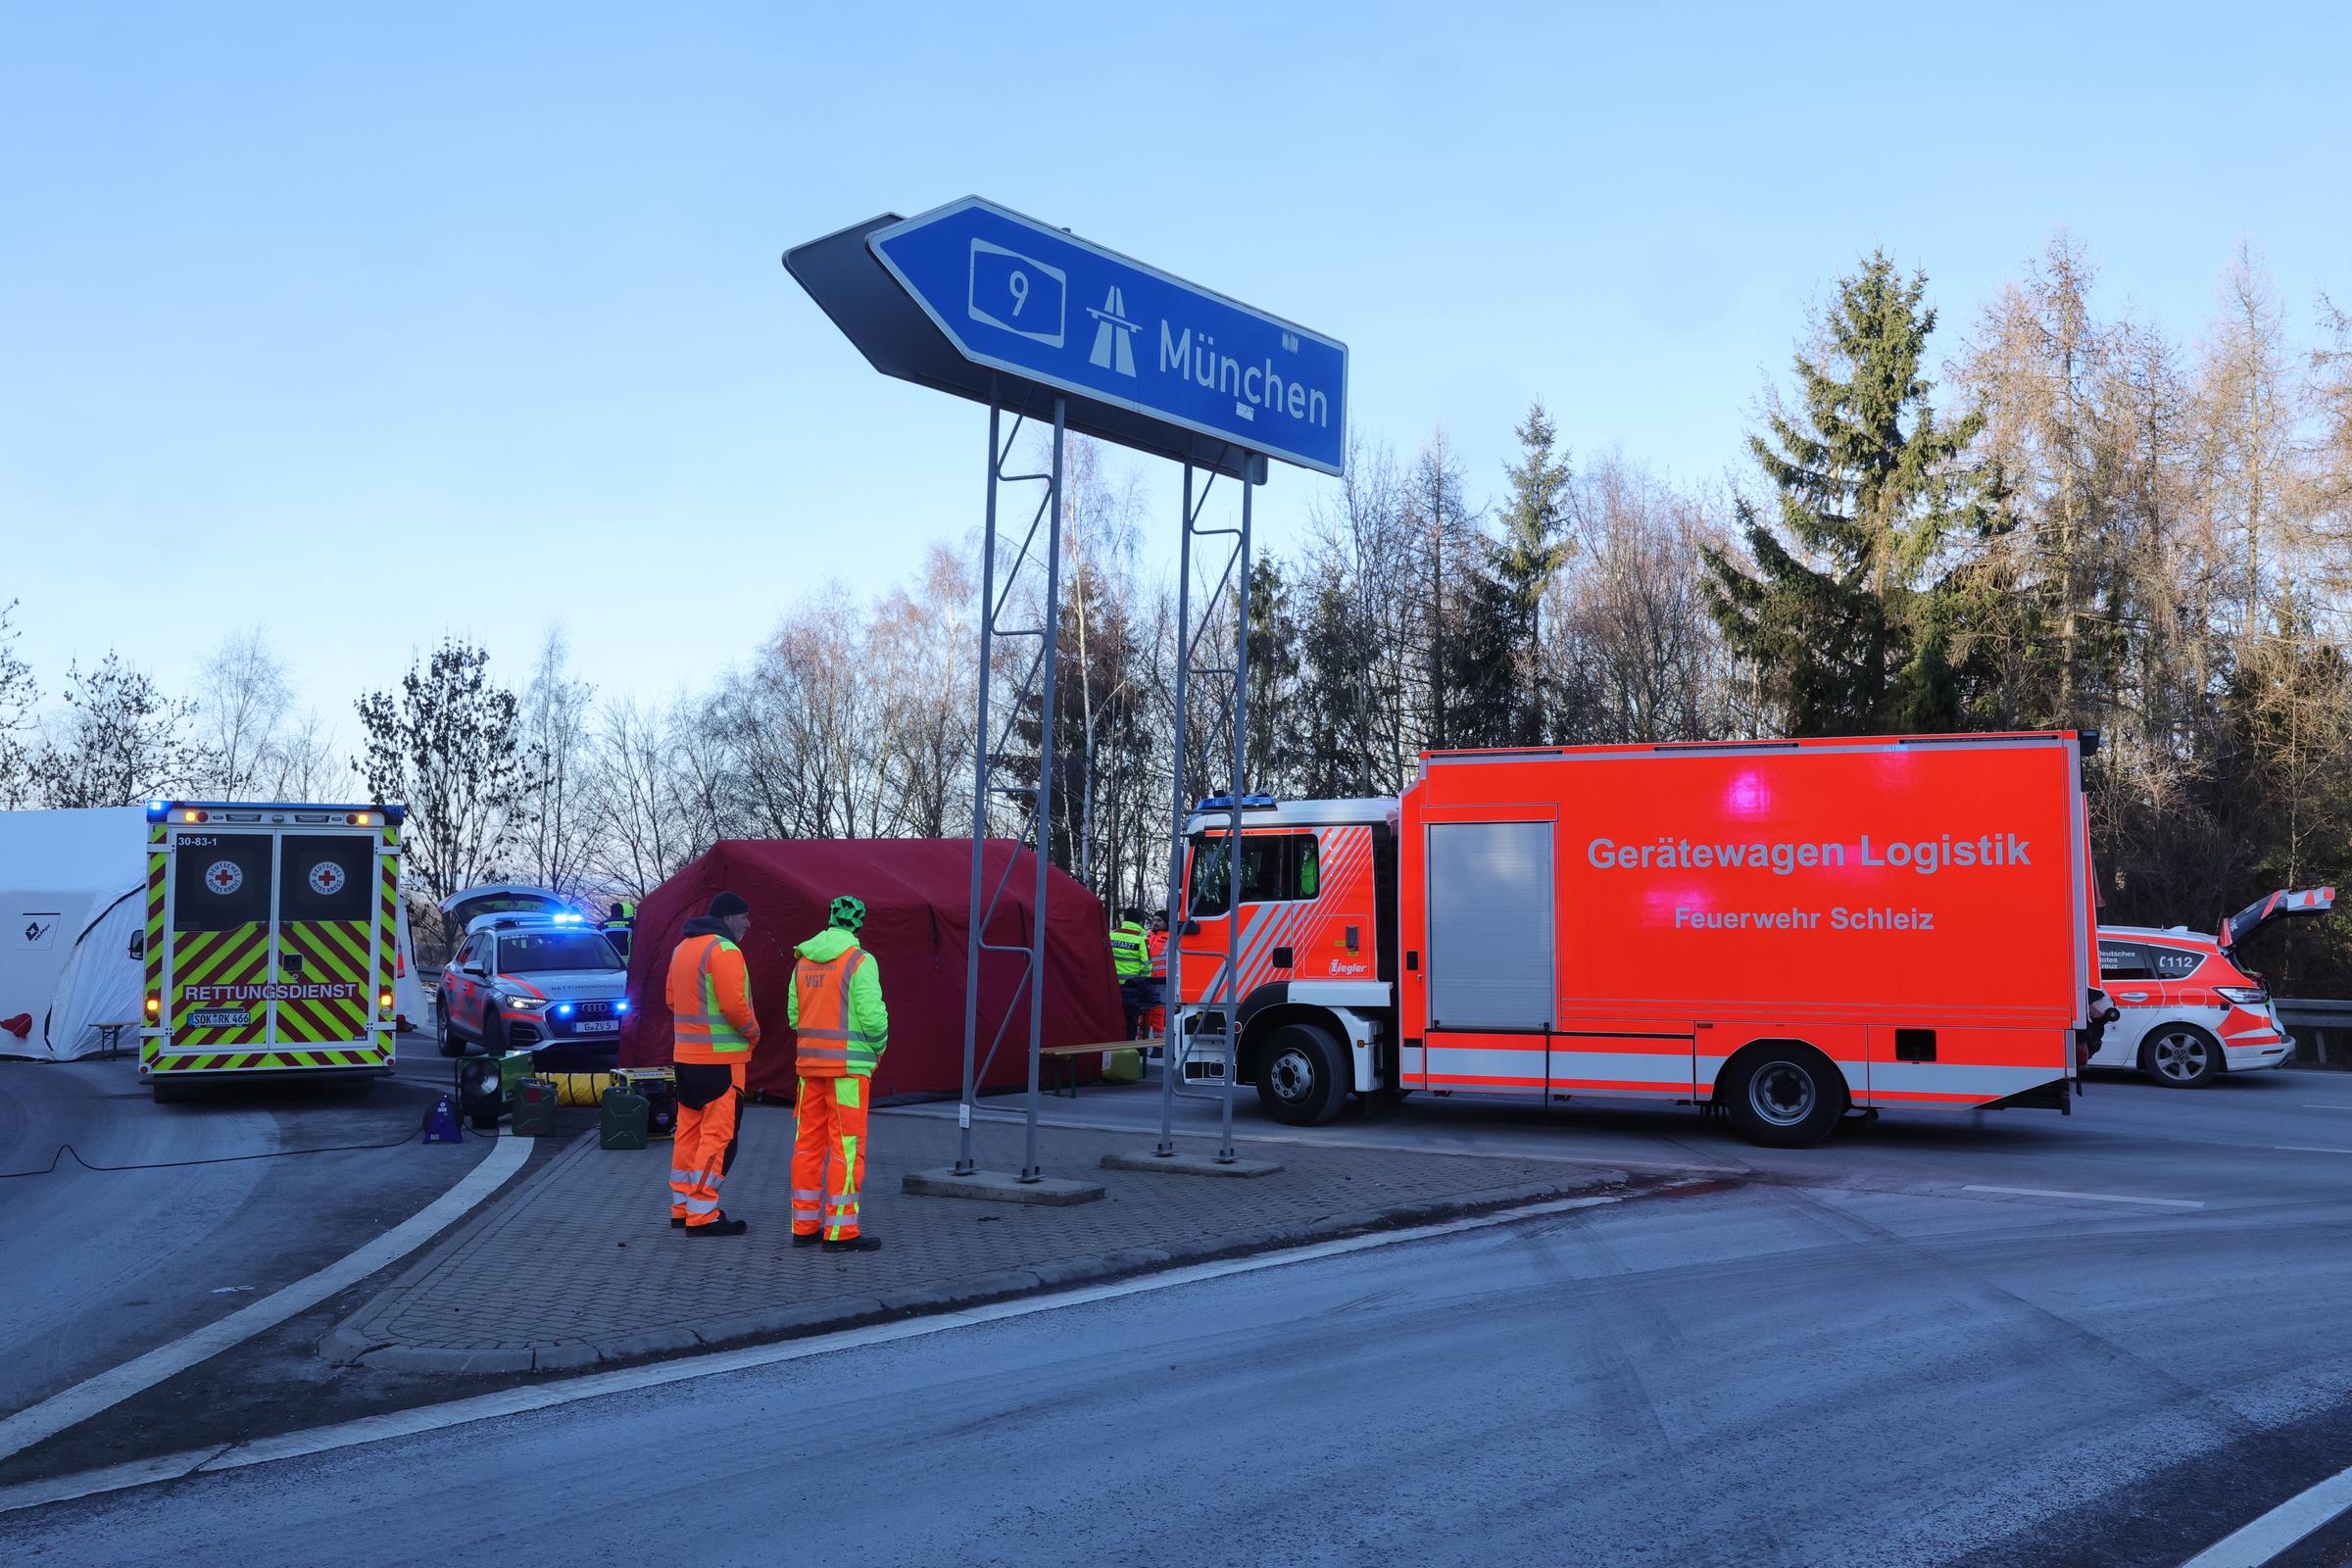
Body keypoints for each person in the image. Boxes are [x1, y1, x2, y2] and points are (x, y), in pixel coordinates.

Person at [787, 895, 889, 1253]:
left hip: (808, 1069)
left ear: (829, 919)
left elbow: (794, 1016)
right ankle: (841, 1232)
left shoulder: (803, 961)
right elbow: (873, 1017)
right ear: (859, 923)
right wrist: (878, 1047)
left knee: (807, 1147)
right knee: (846, 1149)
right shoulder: (860, 961)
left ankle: (804, 1226)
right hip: (848, 1071)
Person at [665, 891, 760, 1236]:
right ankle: (703, 1213)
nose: (748, 924)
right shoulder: (725, 950)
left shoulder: (682, 948)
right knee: (718, 1138)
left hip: (685, 1059)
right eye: (745, 916)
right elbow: (735, 1008)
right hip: (721, 1062)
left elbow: (671, 999)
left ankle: (682, 1208)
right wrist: (754, 1033)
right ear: (728, 918)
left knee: (688, 1134)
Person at [1110, 909, 1153, 1039]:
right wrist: (1144, 981)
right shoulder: (1140, 938)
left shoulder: (1112, 935)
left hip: (1113, 985)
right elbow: (1146, 963)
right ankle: (1129, 1050)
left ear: (1124, 919)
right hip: (1132, 986)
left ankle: (1114, 1050)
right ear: (1139, 921)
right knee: (1131, 1019)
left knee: (1114, 1018)